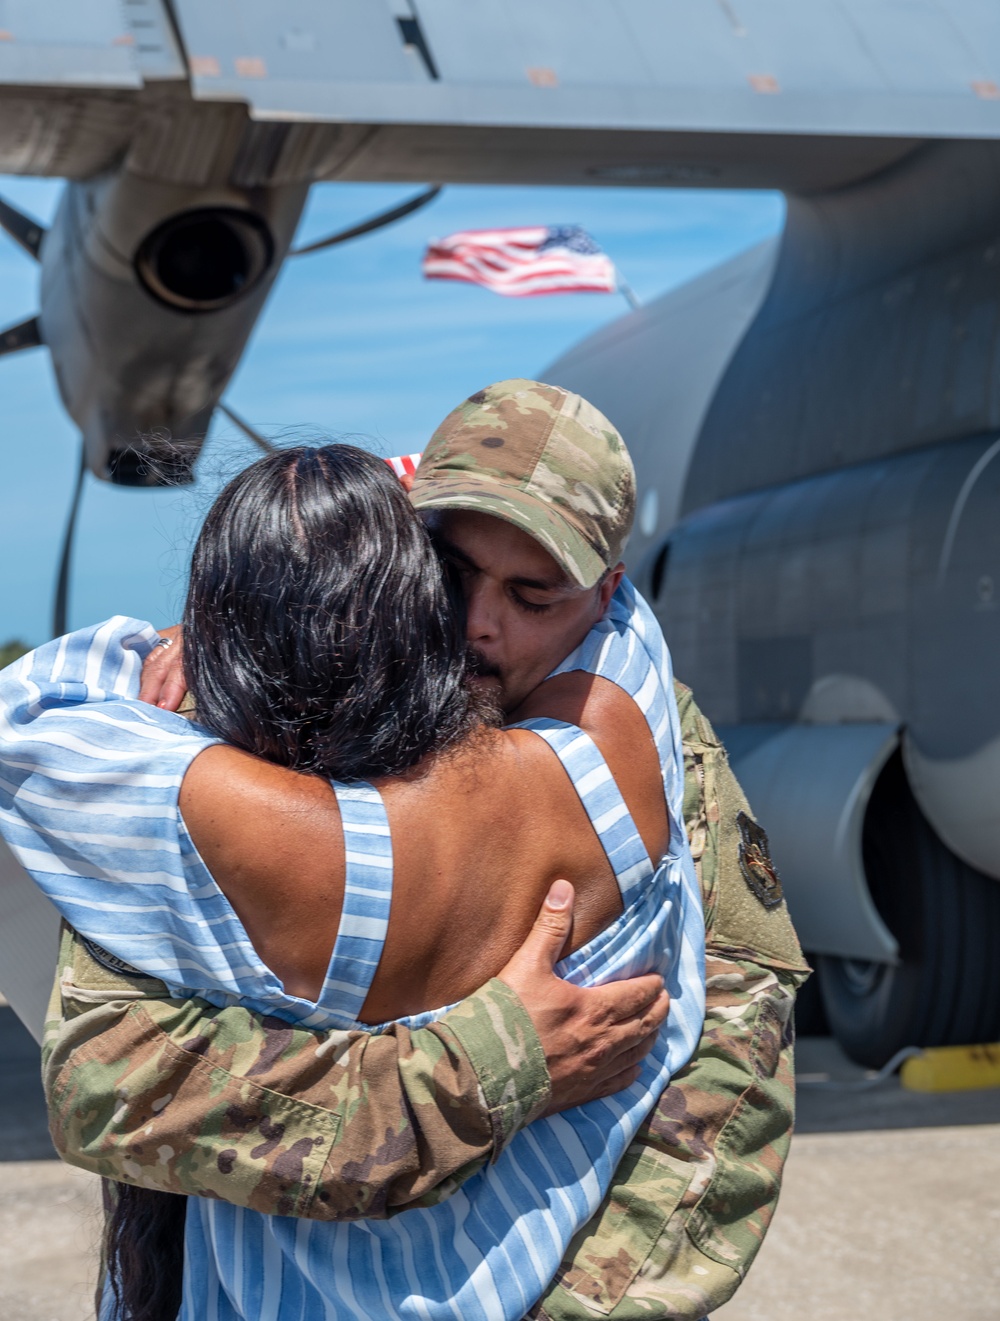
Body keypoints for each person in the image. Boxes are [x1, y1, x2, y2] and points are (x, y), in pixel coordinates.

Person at [42, 380, 809, 1319]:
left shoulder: (660, 751)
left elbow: (732, 1069)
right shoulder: (250, 706)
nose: (480, 625)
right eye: (450, 575)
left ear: (608, 593)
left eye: (533, 595)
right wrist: (487, 1062)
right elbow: (113, 1083)